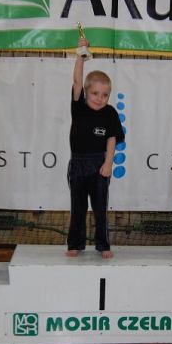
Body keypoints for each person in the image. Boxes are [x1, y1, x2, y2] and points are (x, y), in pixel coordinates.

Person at [67, 37, 125, 259]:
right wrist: (81, 55)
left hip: (100, 164)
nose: (100, 99)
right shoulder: (79, 106)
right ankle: (75, 243)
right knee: (78, 208)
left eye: (105, 95)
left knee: (100, 208)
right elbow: (76, 81)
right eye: (95, 93)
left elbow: (112, 139)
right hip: (78, 164)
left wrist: (108, 163)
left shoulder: (110, 113)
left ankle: (103, 244)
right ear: (86, 92)